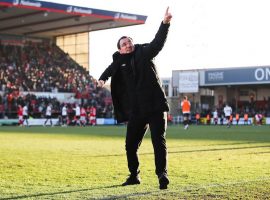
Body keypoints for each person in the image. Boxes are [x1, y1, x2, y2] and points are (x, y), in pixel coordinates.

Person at [97, 7, 172, 190]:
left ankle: (162, 174)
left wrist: (165, 24)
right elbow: (110, 69)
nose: (128, 45)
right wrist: (102, 78)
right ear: (120, 50)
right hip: (137, 111)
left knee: (158, 140)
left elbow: (158, 43)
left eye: (129, 42)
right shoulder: (118, 62)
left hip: (155, 107)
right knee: (130, 145)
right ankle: (134, 175)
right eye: (124, 44)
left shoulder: (143, 53)